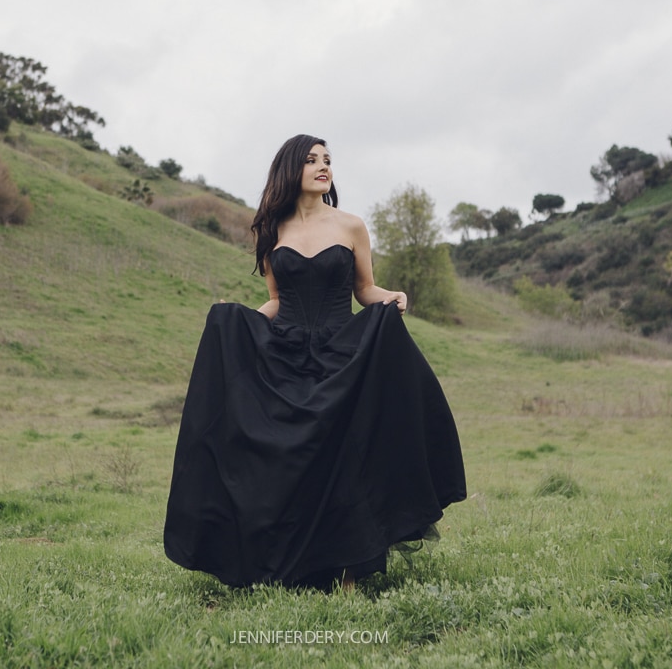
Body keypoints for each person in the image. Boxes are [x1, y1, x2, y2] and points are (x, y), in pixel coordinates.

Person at [163, 134, 466, 591]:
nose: (324, 166)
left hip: (342, 352)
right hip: (283, 353)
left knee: (344, 457)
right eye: (311, 160)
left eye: (327, 160)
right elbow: (276, 301)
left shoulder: (351, 226)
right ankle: (279, 562)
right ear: (291, 169)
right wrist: (237, 323)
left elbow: (365, 290)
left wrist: (391, 298)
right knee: (284, 458)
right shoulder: (272, 230)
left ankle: (348, 569)